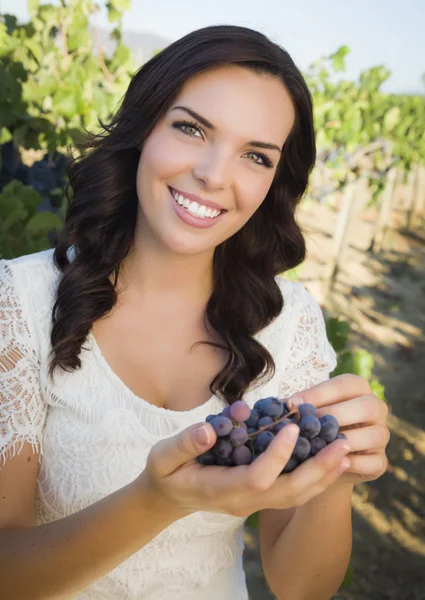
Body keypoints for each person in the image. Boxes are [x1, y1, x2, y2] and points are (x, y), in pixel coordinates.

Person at [0, 24, 389, 600]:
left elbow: (300, 587)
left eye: (255, 156)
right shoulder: (18, 304)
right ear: (143, 128)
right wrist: (157, 502)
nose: (214, 174)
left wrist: (337, 469)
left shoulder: (289, 323)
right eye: (190, 128)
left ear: (274, 180)